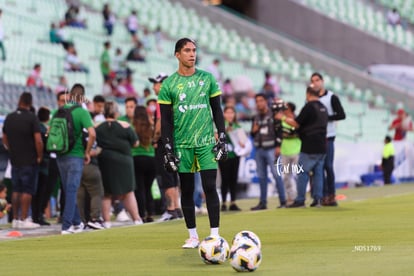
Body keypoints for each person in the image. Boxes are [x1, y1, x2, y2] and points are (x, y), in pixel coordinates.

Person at [158, 38, 227, 248]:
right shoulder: (169, 84)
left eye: (194, 50)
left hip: (206, 142)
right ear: (177, 54)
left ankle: (215, 235)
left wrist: (222, 136)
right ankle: (193, 236)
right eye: (187, 50)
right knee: (186, 190)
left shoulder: (207, 79)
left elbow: (217, 110)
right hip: (183, 145)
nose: (192, 54)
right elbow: (166, 120)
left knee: (209, 187)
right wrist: (168, 147)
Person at [275, 86, 328, 208]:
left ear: (308, 94)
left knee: (302, 172)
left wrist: (282, 118)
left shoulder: (309, 107)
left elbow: (296, 123)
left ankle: (300, 200)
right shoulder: (323, 108)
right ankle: (318, 199)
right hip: (322, 144)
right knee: (318, 173)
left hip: (309, 144)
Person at [54, 84, 96, 234]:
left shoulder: (58, 110)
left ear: (70, 96)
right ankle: (66, 226)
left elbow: (49, 131)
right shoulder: (82, 112)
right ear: (82, 97)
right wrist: (87, 151)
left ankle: (77, 222)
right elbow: (92, 134)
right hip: (76, 155)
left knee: (68, 189)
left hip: (60, 154)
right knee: (72, 190)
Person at [95, 101, 143, 228]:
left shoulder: (98, 127)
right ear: (116, 113)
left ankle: (106, 222)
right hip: (125, 162)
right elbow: (136, 143)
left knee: (107, 193)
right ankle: (137, 219)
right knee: (128, 191)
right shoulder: (125, 126)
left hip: (106, 162)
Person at [2, 92, 43, 229]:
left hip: (15, 159)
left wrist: (11, 149)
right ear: (30, 103)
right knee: (27, 190)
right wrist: (39, 155)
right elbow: (38, 140)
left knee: (16, 190)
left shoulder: (10, 117)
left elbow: (4, 137)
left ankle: (15, 219)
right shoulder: (32, 118)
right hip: (29, 159)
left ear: (19, 101)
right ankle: (24, 218)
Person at [148, 73, 181, 221]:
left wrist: (154, 138)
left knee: (167, 177)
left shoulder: (162, 100)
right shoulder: (174, 99)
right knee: (173, 176)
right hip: (174, 142)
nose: (154, 87)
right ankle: (176, 208)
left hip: (164, 143)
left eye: (156, 83)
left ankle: (170, 209)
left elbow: (160, 123)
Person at [311, 72, 346, 207]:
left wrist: (326, 118)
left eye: (317, 80)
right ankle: (321, 196)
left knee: (328, 166)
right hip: (315, 137)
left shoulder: (331, 97)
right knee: (317, 168)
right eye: (313, 81)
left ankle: (331, 195)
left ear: (322, 81)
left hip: (328, 136)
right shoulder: (311, 99)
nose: (315, 83)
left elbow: (342, 115)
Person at [250, 93, 286, 210]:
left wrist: (278, 146)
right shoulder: (255, 117)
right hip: (259, 149)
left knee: (276, 175)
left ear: (266, 101)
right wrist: (253, 131)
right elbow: (253, 133)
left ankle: (283, 201)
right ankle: (263, 202)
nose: (259, 103)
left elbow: (279, 131)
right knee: (261, 176)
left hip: (271, 148)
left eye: (261, 100)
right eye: (257, 101)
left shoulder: (273, 114)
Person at [132, 106, 157, 223]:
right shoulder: (150, 127)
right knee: (148, 188)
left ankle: (141, 214)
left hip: (137, 158)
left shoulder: (133, 127)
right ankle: (150, 213)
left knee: (140, 189)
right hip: (151, 159)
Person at [31, 107, 53, 226]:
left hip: (37, 163)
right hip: (43, 163)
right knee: (41, 191)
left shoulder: (36, 127)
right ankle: (38, 216)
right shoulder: (43, 129)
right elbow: (46, 145)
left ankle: (36, 215)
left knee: (37, 191)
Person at [219, 106, 243, 211]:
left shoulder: (237, 126)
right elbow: (216, 137)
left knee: (234, 179)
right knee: (225, 179)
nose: (229, 115)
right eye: (227, 113)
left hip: (235, 155)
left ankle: (233, 202)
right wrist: (225, 131)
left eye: (231, 113)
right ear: (224, 114)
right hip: (224, 155)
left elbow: (243, 141)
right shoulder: (220, 125)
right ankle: (223, 202)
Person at [279, 102, 301, 204]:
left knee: (298, 174)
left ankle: (300, 196)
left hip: (297, 150)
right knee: (287, 176)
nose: (283, 109)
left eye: (285, 108)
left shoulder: (297, 118)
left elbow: (298, 129)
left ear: (290, 109)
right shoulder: (280, 120)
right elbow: (279, 133)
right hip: (285, 151)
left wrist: (288, 134)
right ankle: (290, 197)